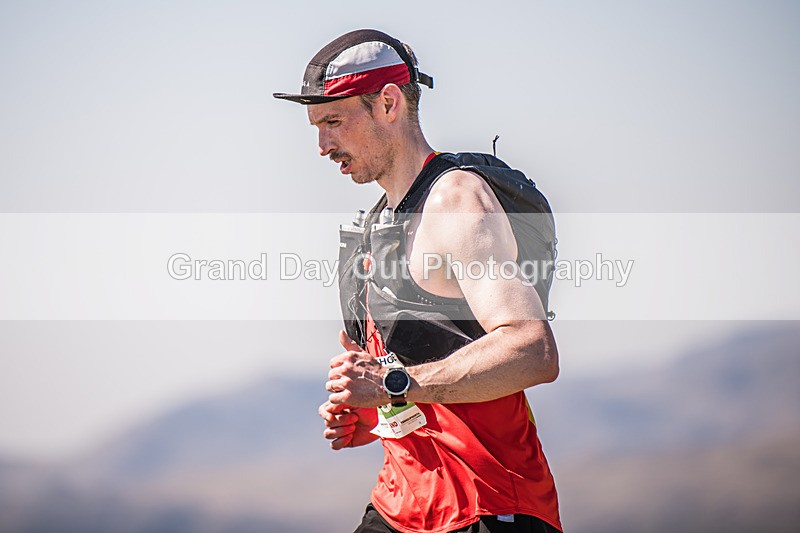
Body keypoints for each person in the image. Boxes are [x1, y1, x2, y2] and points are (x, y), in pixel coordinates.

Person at [274, 29, 562, 533]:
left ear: (388, 103)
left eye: (334, 121)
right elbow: (404, 366)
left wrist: (389, 385)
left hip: (487, 507)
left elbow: (531, 348)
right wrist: (366, 409)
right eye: (316, 127)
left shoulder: (456, 200)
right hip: (398, 507)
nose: (322, 146)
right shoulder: (377, 224)